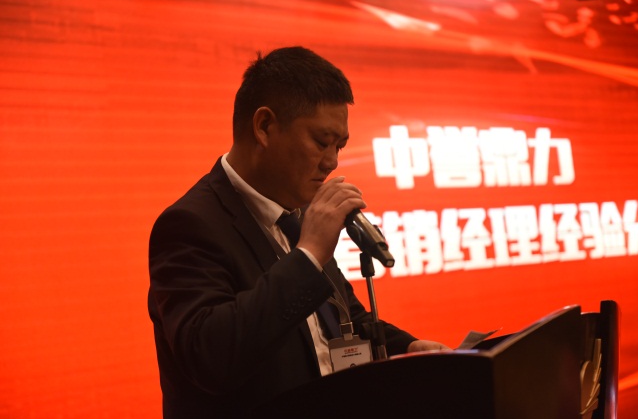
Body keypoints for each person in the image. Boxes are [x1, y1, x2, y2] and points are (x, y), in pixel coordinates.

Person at [148, 46, 449, 419]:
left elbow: (344, 321)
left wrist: (408, 349)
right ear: (264, 127)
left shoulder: (300, 215)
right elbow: (212, 358)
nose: (332, 162)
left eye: (339, 146)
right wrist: (308, 255)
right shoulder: (189, 224)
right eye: (321, 142)